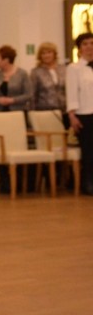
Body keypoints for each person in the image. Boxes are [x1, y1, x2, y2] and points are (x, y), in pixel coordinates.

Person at [66, 32, 93, 195]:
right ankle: (87, 182)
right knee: (89, 150)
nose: (89, 47)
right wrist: (72, 115)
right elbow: (72, 92)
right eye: (85, 44)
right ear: (79, 48)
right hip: (84, 113)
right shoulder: (74, 68)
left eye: (91, 43)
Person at [0, 45, 31, 112]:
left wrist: (12, 100)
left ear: (6, 60)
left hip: (18, 112)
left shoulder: (22, 74)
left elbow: (28, 94)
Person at [30, 42, 67, 115]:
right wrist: (32, 113)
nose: (46, 55)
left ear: (54, 54)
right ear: (40, 56)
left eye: (49, 52)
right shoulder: (36, 72)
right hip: (45, 111)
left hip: (64, 110)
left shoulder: (63, 69)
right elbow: (32, 95)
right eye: (43, 53)